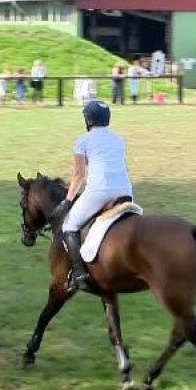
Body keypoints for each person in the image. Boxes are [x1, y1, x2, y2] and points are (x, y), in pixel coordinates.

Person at [51, 100, 133, 292]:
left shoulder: (83, 141)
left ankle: (79, 273)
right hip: (126, 190)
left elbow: (78, 175)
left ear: (88, 120)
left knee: (69, 225)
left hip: (99, 191)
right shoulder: (119, 138)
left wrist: (67, 200)